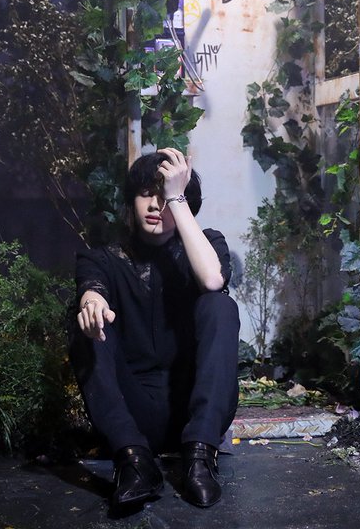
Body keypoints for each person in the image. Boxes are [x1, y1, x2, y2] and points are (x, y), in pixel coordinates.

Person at [69, 148, 239, 508]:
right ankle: (135, 464)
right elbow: (91, 287)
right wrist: (92, 304)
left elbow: (212, 279)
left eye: (165, 196)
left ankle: (199, 459)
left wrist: (177, 196)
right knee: (86, 321)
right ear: (132, 200)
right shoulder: (101, 258)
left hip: (193, 412)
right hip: (132, 417)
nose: (154, 205)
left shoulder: (210, 244)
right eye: (146, 193)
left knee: (220, 304)